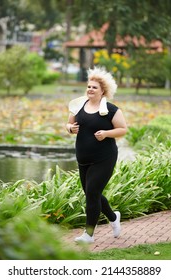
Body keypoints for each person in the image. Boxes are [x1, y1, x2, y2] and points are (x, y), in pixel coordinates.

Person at [66, 67, 127, 243]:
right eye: (89, 86)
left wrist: (106, 134)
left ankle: (89, 235)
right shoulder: (78, 106)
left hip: (104, 157)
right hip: (83, 158)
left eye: (94, 87)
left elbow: (122, 129)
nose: (90, 90)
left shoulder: (111, 109)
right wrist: (70, 128)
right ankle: (113, 217)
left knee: (92, 192)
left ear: (103, 91)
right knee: (92, 193)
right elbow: (69, 125)